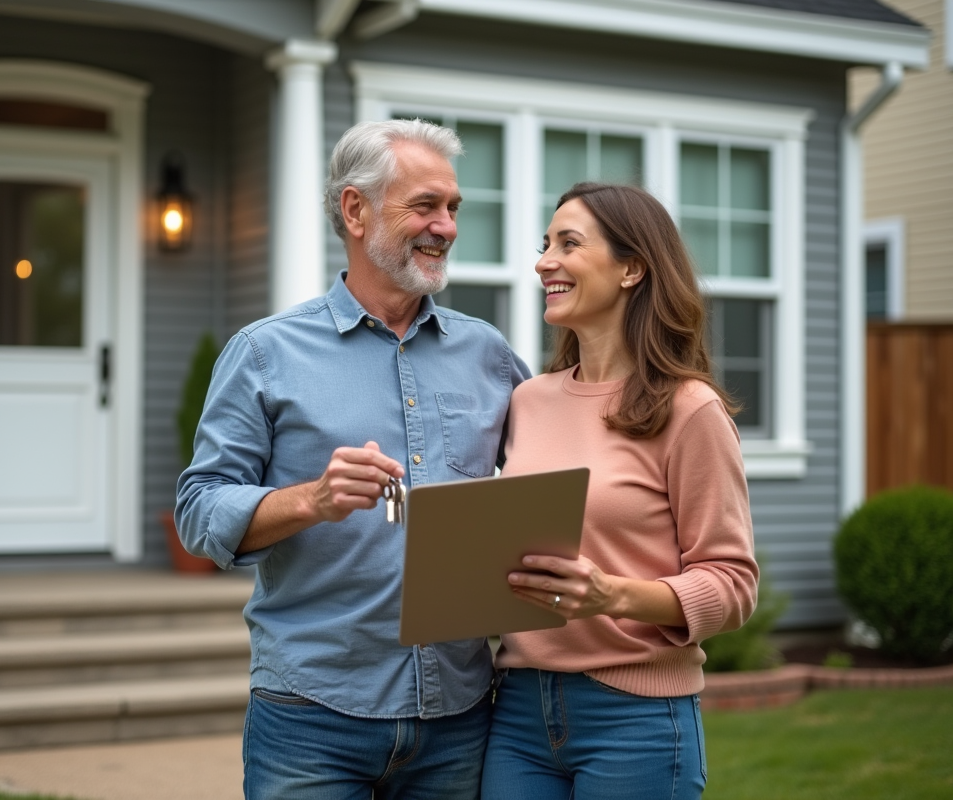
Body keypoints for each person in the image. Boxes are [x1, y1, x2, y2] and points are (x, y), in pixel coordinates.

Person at [176, 119, 530, 800]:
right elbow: (198, 511)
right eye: (425, 206)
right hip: (312, 719)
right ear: (355, 209)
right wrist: (313, 499)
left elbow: (547, 470)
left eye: (453, 208)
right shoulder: (264, 354)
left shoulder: (487, 354)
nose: (446, 226)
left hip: (459, 716)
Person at [480, 182, 759, 800]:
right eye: (544, 244)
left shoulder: (690, 410)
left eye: (568, 244)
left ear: (632, 267)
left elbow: (733, 585)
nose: (544, 261)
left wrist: (611, 594)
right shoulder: (528, 400)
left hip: (635, 717)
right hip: (518, 711)